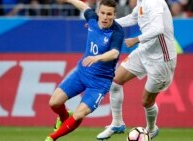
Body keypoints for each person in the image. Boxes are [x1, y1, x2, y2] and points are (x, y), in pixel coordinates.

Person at [97, 0, 177, 140]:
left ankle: (151, 129)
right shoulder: (141, 2)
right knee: (115, 80)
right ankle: (117, 122)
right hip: (145, 51)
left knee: (146, 101)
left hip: (161, 60)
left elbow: (159, 29)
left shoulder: (153, 2)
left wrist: (136, 39)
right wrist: (108, 24)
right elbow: (133, 18)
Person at [44, 0, 124, 141]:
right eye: (103, 13)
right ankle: (63, 116)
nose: (105, 17)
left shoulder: (117, 32)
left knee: (79, 114)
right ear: (98, 12)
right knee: (54, 103)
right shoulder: (92, 19)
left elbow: (114, 53)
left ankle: (52, 138)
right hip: (82, 73)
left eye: (109, 14)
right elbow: (83, 6)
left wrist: (97, 58)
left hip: (100, 83)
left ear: (114, 15)